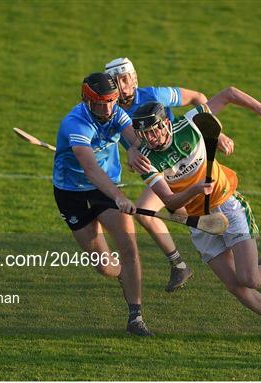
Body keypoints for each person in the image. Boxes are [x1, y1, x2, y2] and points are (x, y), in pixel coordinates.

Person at [129, 87, 261, 341]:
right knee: (234, 285)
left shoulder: (190, 124)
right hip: (199, 223)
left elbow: (228, 94)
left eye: (154, 130)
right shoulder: (146, 160)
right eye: (145, 134)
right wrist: (195, 189)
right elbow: (171, 202)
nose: (151, 138)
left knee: (249, 278)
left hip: (227, 205)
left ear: (166, 124)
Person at [105, 57, 236, 292]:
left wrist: (217, 132)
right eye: (116, 82)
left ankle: (253, 263)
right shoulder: (111, 111)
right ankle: (179, 264)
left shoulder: (155, 95)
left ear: (133, 78)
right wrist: (132, 152)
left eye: (124, 79)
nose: (122, 86)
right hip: (161, 171)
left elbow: (198, 97)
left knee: (212, 213)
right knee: (147, 213)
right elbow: (116, 141)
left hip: (183, 163)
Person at [52, 72, 153, 336]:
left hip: (105, 192)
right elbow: (91, 170)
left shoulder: (117, 113)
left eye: (111, 101)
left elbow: (136, 139)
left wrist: (133, 148)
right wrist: (119, 197)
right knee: (105, 266)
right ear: (87, 100)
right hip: (72, 193)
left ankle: (135, 317)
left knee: (129, 247)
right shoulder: (75, 124)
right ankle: (121, 275)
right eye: (100, 102)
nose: (107, 108)